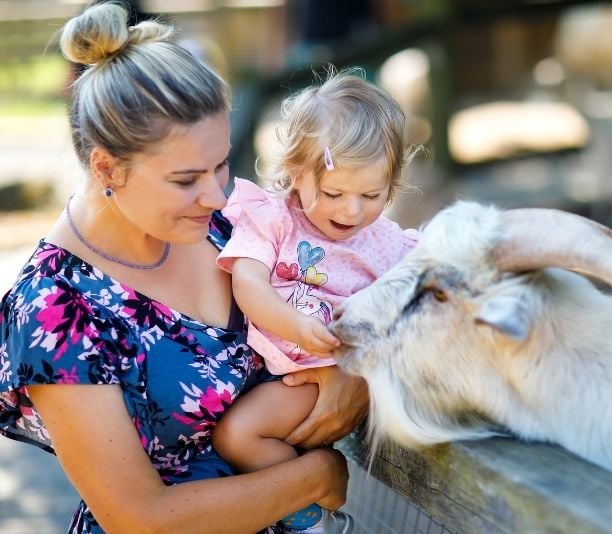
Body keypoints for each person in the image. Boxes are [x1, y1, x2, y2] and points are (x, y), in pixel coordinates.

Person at [0, 3, 367, 533]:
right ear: (106, 166)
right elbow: (140, 518)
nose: (216, 194)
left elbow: (350, 286)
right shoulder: (55, 310)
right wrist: (316, 477)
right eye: (186, 179)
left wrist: (351, 371)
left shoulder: (234, 223)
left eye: (222, 164)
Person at [211, 70, 419, 533]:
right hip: (277, 362)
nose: (352, 211)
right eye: (334, 193)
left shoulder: (389, 245)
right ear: (297, 173)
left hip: (316, 377)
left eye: (372, 194)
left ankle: (309, 515)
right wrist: (293, 324)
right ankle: (307, 484)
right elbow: (249, 282)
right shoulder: (273, 219)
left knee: (238, 434)